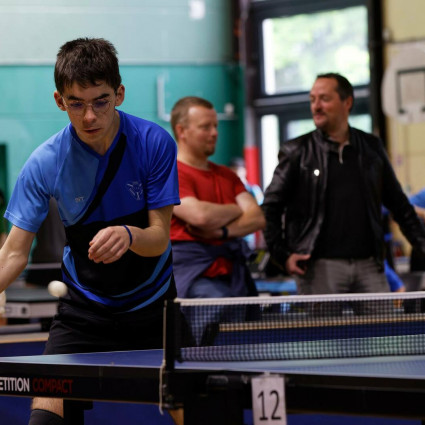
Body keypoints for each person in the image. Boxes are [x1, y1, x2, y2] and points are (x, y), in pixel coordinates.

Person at [0, 38, 180, 425]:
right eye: (76, 104)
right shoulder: (45, 162)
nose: (89, 117)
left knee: (196, 409)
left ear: (119, 94)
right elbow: (13, 254)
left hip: (155, 307)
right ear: (59, 101)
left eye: (100, 101)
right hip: (84, 311)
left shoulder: (153, 143)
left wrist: (129, 235)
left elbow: (159, 238)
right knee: (45, 416)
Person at [262, 72, 425, 296]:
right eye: (312, 99)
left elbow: (400, 206)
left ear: (347, 102)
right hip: (318, 268)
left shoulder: (371, 148)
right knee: (325, 322)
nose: (316, 106)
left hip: (369, 265)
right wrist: (282, 255)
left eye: (324, 99)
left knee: (383, 321)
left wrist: (421, 245)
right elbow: (270, 207)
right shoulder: (296, 152)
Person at [170, 96, 266, 299]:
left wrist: (222, 231)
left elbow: (257, 217)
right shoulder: (169, 173)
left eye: (215, 126)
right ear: (181, 131)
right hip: (193, 280)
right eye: (205, 127)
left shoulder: (227, 176)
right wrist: (236, 209)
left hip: (235, 277)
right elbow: (200, 216)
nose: (214, 133)